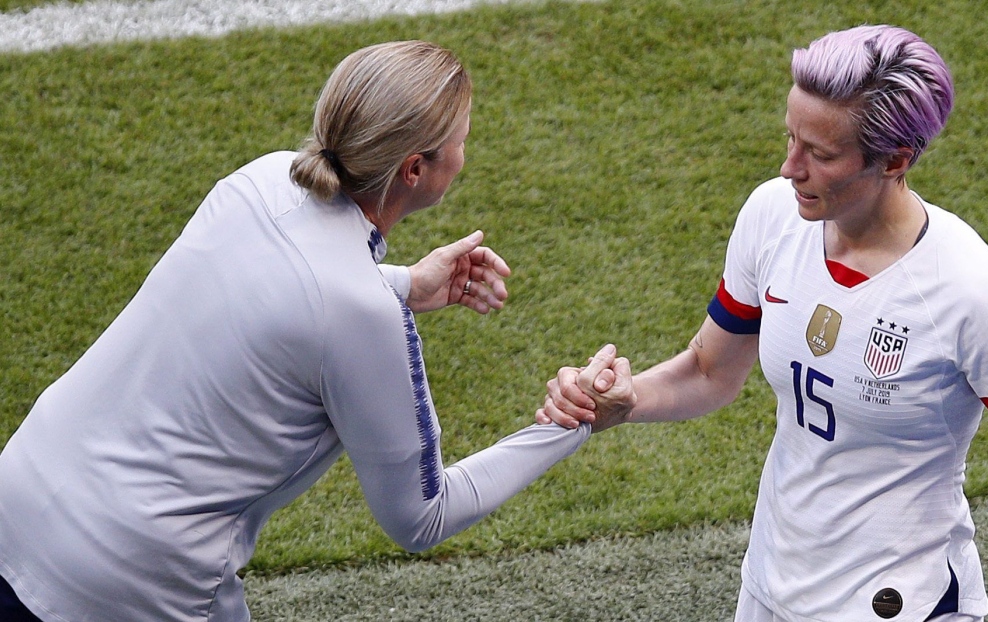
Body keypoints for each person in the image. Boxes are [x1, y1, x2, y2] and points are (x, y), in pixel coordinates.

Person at [0, 41, 597, 622]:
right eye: (462, 142)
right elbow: (422, 517)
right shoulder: (360, 314)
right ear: (415, 169)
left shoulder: (259, 181)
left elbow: (279, 299)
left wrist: (404, 285)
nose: (467, 155)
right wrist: (565, 427)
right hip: (126, 582)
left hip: (20, 496)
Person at [538, 25, 988, 622]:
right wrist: (629, 400)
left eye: (822, 155)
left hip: (902, 605)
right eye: (791, 138)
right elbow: (709, 371)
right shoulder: (773, 217)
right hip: (770, 587)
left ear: (895, 161)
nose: (789, 167)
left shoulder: (971, 293)